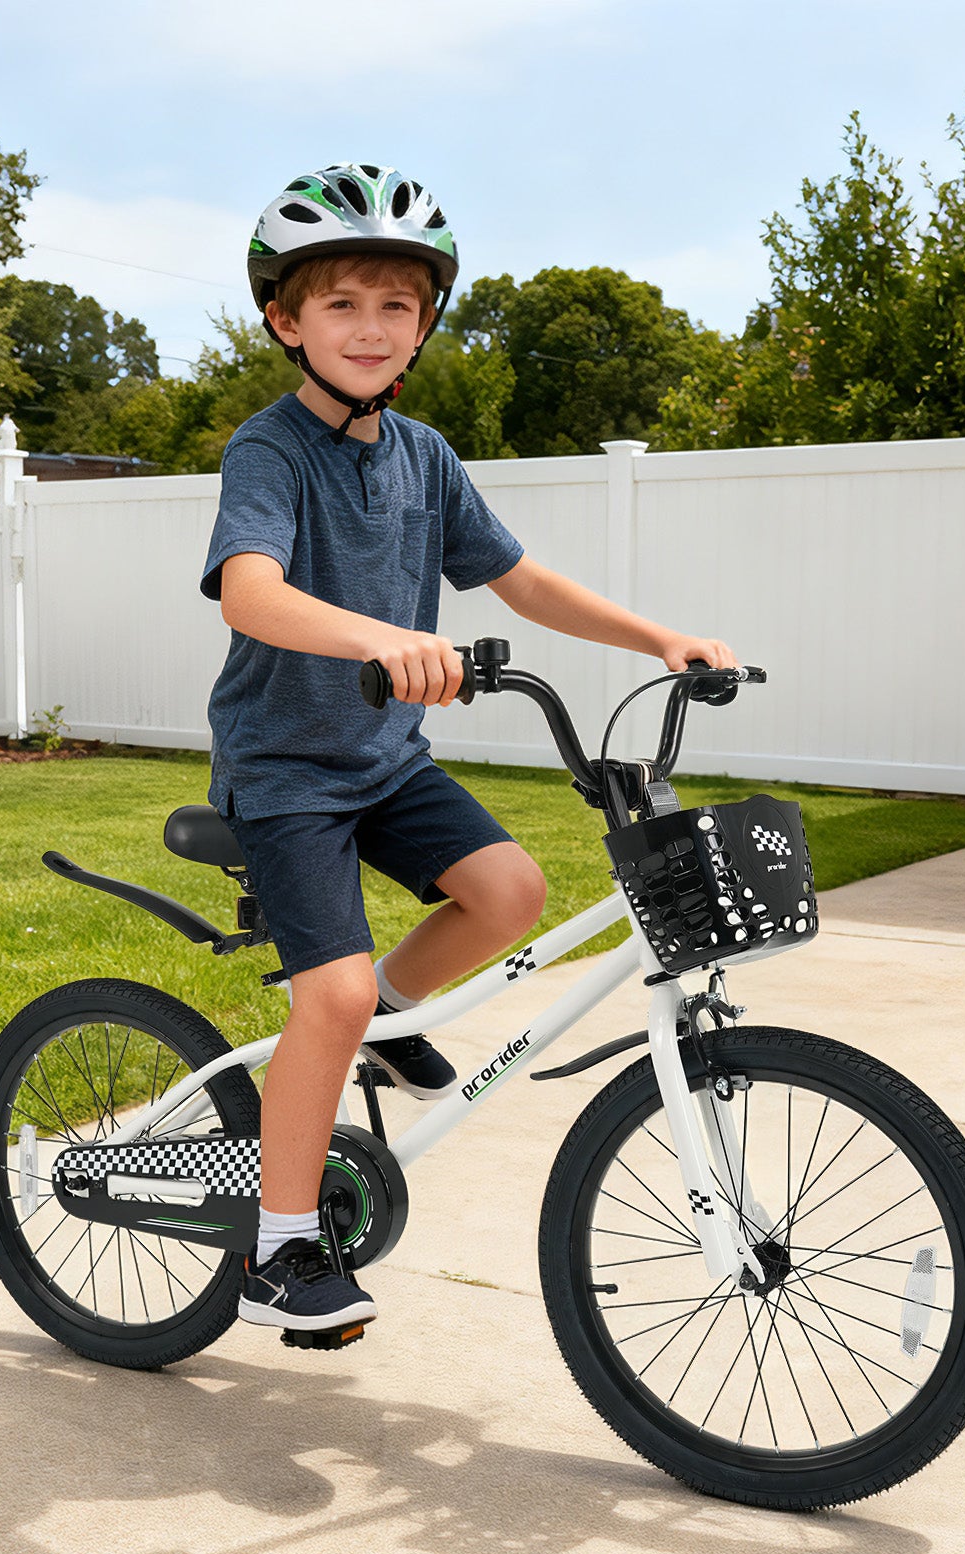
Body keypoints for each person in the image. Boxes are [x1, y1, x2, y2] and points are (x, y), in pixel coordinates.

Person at [200, 162, 739, 1338]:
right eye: (341, 303)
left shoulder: (425, 455)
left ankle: (390, 1026)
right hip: (287, 766)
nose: (371, 327)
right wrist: (390, 637)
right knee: (326, 997)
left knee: (510, 889)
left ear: (425, 323)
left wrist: (661, 637)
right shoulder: (269, 451)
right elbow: (252, 593)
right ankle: (279, 1252)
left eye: (397, 305)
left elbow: (518, 577)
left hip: (384, 758)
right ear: (287, 321)